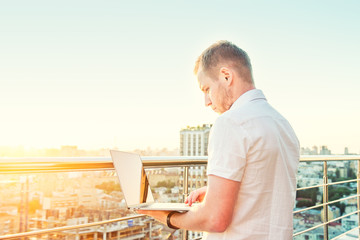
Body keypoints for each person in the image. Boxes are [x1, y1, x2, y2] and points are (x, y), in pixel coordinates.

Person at [138, 40, 300, 239]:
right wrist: (217, 191)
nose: (206, 101)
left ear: (226, 76)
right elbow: (265, 184)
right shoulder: (282, 124)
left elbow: (215, 219)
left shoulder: (231, 122)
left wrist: (168, 217)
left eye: (206, 89)